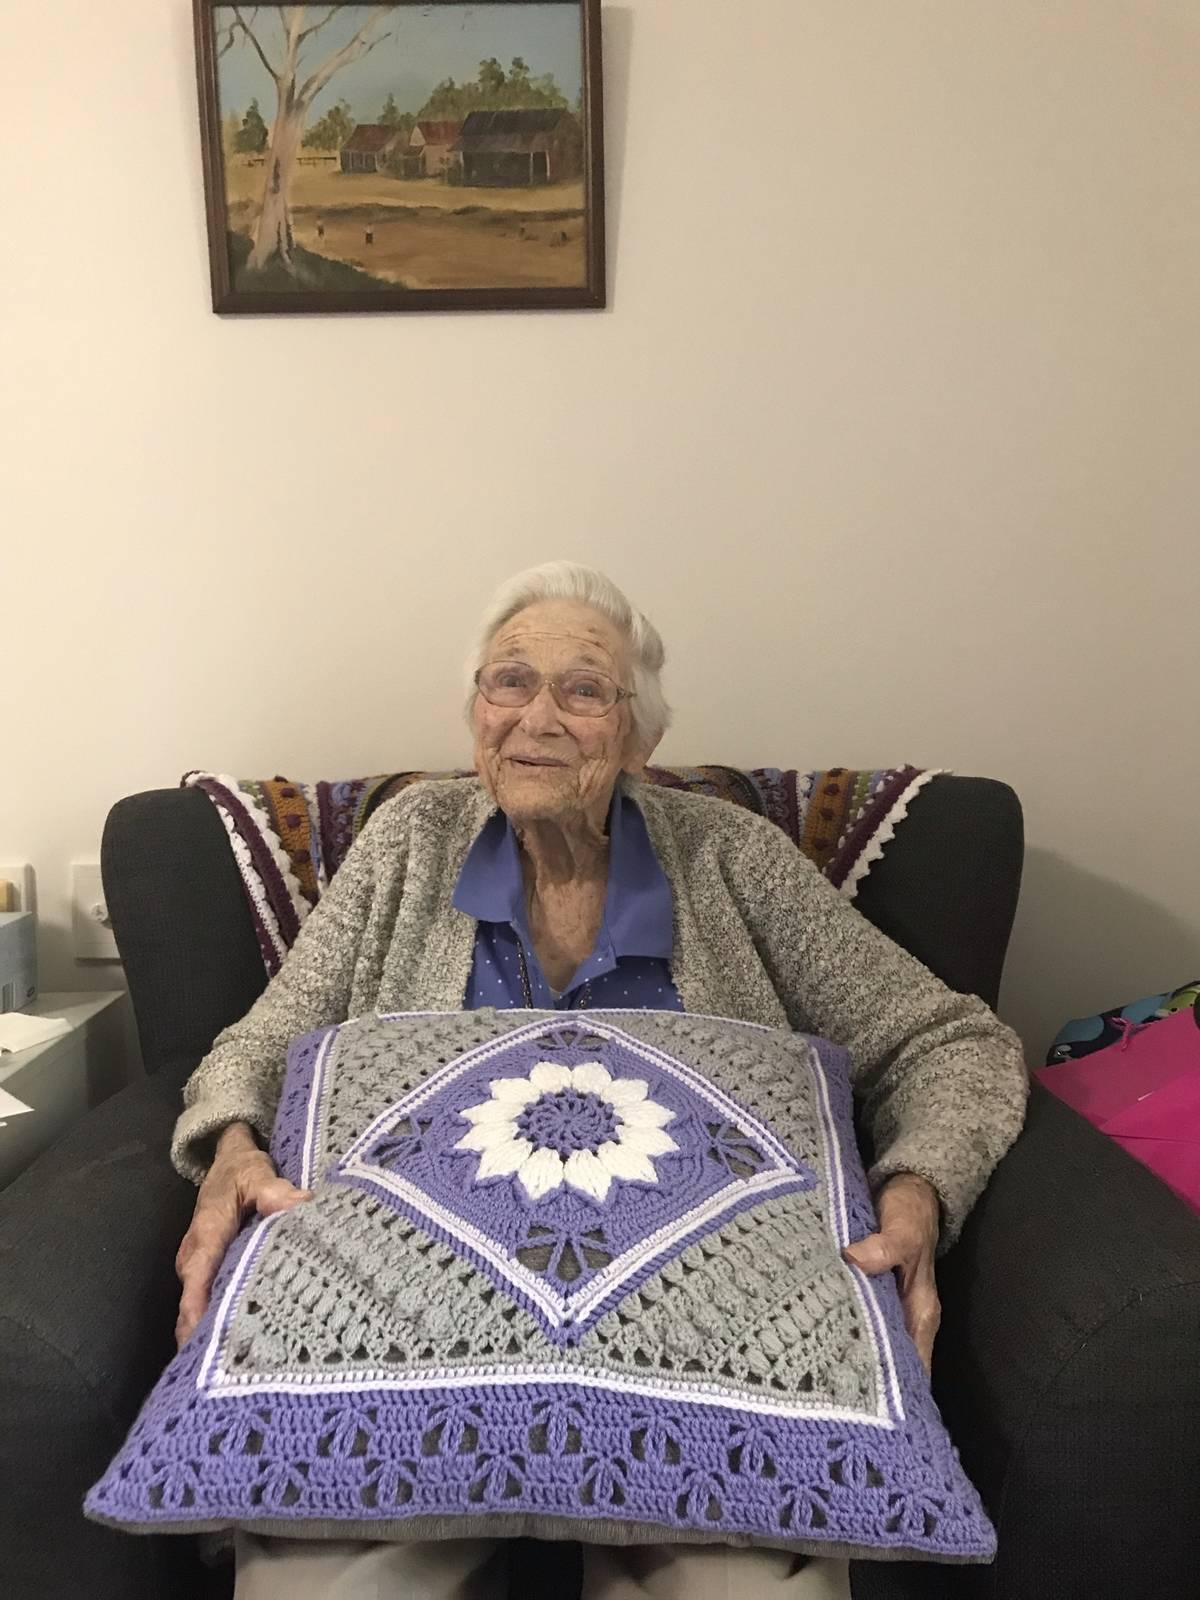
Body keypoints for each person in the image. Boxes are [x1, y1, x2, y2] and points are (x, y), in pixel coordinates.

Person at [172, 562, 1028, 1600]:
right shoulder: (406, 847)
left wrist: (917, 1185)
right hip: (411, 1342)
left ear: (637, 739)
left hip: (704, 1353)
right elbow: (255, 1050)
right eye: (509, 682)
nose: (538, 716)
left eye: (583, 691)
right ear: (473, 711)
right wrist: (230, 1144)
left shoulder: (730, 860)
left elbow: (951, 1040)